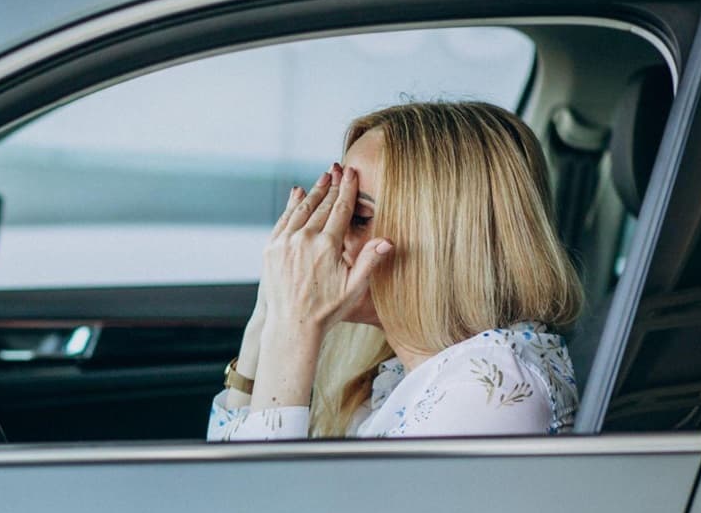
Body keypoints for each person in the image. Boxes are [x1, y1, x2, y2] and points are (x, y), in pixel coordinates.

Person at [209, 101, 583, 441]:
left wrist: (295, 326)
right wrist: (269, 313)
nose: (324, 237)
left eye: (357, 216)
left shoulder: (488, 390)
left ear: (443, 240)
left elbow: (258, 506)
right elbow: (226, 488)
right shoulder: (404, 374)